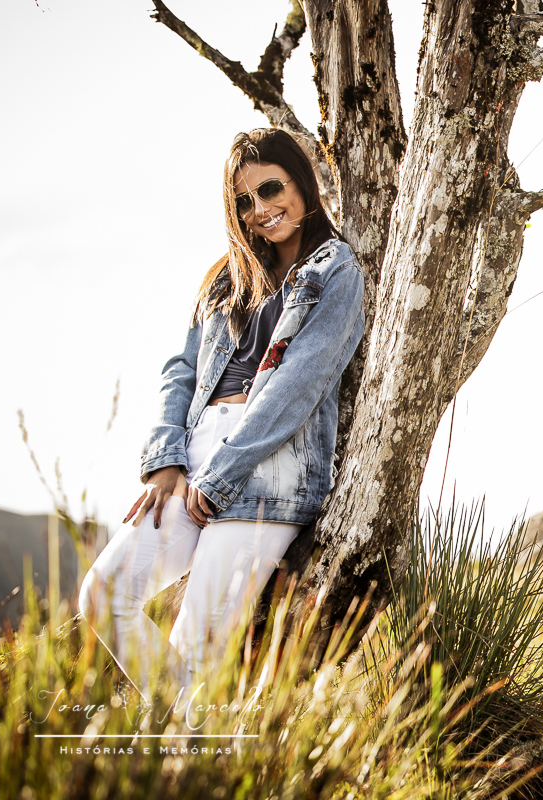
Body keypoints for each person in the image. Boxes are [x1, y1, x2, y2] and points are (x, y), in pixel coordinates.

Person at [78, 129, 364, 705]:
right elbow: (181, 369)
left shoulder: (337, 270)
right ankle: (189, 735)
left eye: (271, 189)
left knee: (194, 650)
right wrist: (166, 458)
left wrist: (222, 474)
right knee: (104, 593)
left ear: (301, 182)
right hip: (194, 456)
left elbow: (298, 386)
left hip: (267, 469)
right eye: (244, 201)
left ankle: (183, 744)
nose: (260, 209)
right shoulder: (225, 277)